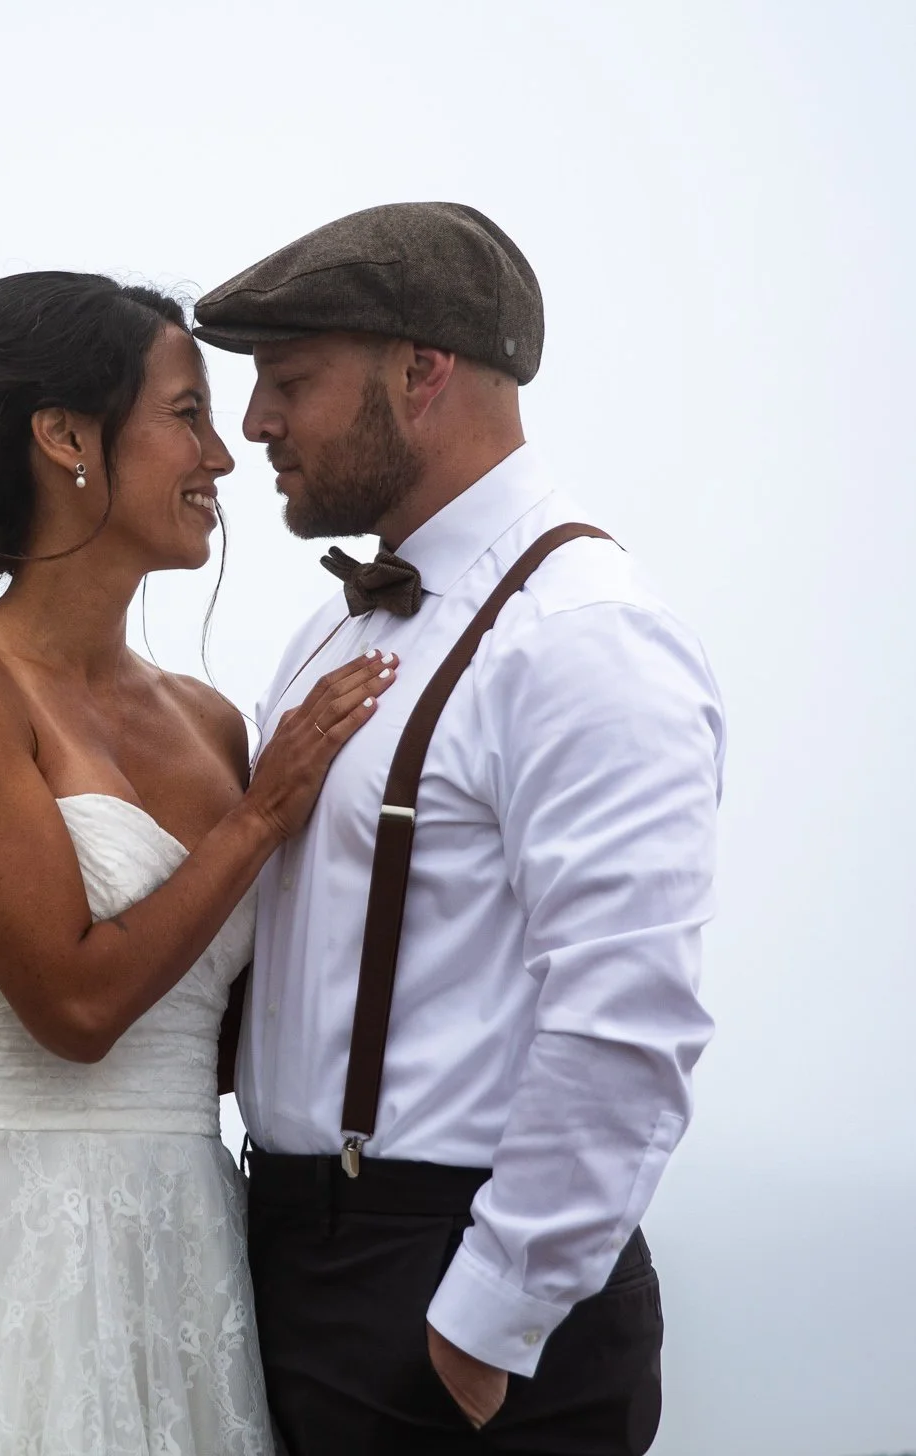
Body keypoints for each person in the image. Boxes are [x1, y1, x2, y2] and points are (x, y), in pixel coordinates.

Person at [0, 271, 393, 1455]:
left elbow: (222, 1032)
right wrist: (259, 823)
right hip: (0, 1260)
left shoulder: (212, 723)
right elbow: (73, 1006)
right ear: (64, 435)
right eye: (184, 413)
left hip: (191, 1253)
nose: (222, 453)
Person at [193, 202, 725, 1456]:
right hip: (288, 1261)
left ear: (420, 371)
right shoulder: (329, 631)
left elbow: (626, 1008)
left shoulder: (584, 633)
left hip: (442, 1281)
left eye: (289, 381)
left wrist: (484, 1326)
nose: (255, 422)